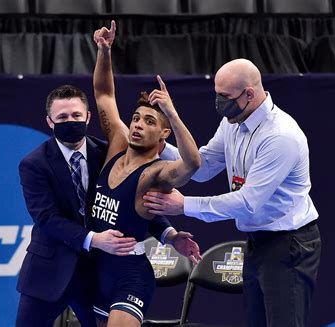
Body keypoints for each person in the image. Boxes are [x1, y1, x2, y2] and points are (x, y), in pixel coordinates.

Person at [143, 58, 322, 327]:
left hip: (290, 245)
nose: (218, 102)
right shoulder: (233, 121)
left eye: (224, 96)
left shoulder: (281, 136)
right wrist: (161, 146)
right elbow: (202, 167)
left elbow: (248, 203)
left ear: (249, 94)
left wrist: (184, 205)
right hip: (256, 242)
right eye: (216, 93)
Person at [16, 84, 201, 327]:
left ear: (88, 117)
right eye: (62, 117)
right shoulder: (33, 163)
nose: (69, 121)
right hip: (51, 269)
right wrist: (94, 238)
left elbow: (134, 204)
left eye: (76, 115)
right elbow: (47, 218)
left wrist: (169, 235)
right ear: (50, 121)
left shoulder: (107, 153)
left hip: (97, 270)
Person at [90, 21, 201, 327]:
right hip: (93, 268)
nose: (138, 124)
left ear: (164, 134)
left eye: (149, 121)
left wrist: (173, 114)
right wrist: (104, 50)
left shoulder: (156, 174)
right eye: (136, 118)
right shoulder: (116, 145)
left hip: (129, 277)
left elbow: (192, 164)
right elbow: (103, 94)